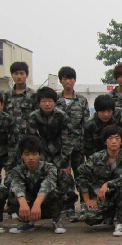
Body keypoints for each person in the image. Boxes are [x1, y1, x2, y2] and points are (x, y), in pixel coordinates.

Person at [76, 125, 122, 237]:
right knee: (88, 218)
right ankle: (109, 214)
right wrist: (87, 199)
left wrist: (108, 184)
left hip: (119, 195)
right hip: (102, 197)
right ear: (105, 142)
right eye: (110, 138)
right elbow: (81, 175)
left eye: (117, 138)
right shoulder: (96, 158)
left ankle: (119, 223)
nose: (113, 141)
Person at [26, 87, 77, 220]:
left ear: (55, 102)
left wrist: (64, 161)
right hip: (41, 151)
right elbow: (31, 139)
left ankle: (69, 207)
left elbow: (67, 140)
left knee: (65, 178)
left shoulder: (62, 115)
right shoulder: (33, 117)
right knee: (41, 178)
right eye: (43, 101)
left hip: (59, 151)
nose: (47, 104)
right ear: (38, 103)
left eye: (50, 101)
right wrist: (36, 159)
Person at [8, 136, 66, 234]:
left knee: (54, 193)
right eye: (27, 154)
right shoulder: (17, 171)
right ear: (21, 156)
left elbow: (47, 184)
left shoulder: (49, 168)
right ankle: (27, 222)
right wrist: (23, 203)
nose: (31, 158)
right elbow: (17, 186)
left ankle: (57, 221)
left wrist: (37, 203)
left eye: (34, 154)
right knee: (13, 194)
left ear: (40, 155)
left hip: (45, 205)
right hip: (29, 206)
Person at [54, 66, 91, 221]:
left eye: (70, 78)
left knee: (81, 174)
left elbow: (86, 124)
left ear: (75, 80)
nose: (68, 81)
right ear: (61, 81)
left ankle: (84, 203)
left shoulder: (81, 100)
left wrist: (85, 146)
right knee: (65, 177)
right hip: (61, 147)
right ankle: (69, 206)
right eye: (64, 78)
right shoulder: (55, 101)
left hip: (78, 146)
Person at [3, 61, 37, 139]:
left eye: (22, 73)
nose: (19, 77)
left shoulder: (33, 95)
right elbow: (3, 115)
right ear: (12, 75)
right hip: (10, 137)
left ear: (27, 75)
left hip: (28, 136)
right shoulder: (6, 95)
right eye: (16, 73)